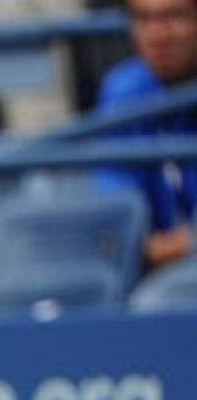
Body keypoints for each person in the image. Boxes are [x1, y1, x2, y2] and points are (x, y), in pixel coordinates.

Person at [95, 0, 197, 269]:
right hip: (148, 269)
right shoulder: (123, 90)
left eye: (173, 17)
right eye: (143, 19)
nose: (157, 35)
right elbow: (114, 211)